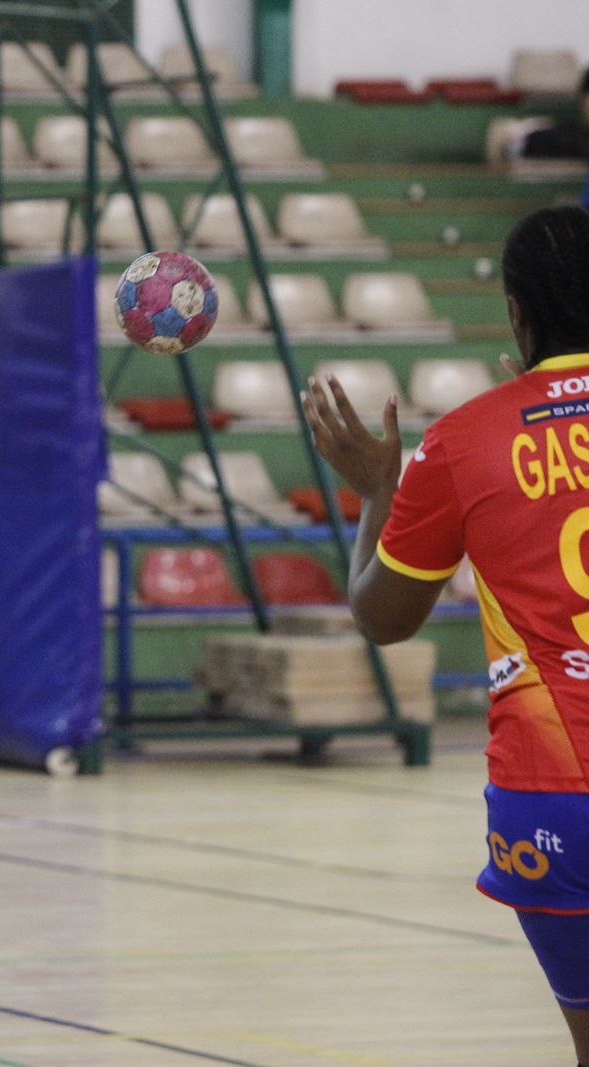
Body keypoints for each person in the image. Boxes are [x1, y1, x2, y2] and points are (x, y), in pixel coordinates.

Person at [302, 204, 589, 1066]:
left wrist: (377, 491)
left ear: (516, 313)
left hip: (553, 795)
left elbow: (381, 616)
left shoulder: (467, 441)